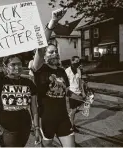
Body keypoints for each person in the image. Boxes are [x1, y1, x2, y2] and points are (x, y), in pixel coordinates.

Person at [32, 9, 75, 147]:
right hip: (46, 120)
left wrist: (83, 96)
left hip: (63, 119)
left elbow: (66, 92)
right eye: (51, 52)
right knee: (47, 144)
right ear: (44, 56)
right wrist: (53, 23)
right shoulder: (39, 69)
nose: (55, 54)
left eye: (56, 51)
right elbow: (40, 48)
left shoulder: (62, 71)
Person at [65, 56, 86, 132]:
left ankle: (70, 120)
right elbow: (65, 83)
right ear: (72, 61)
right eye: (76, 61)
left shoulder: (78, 70)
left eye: (78, 61)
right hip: (71, 92)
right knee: (73, 111)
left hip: (78, 92)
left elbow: (80, 82)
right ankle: (72, 126)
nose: (77, 62)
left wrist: (83, 92)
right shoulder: (67, 71)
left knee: (75, 109)